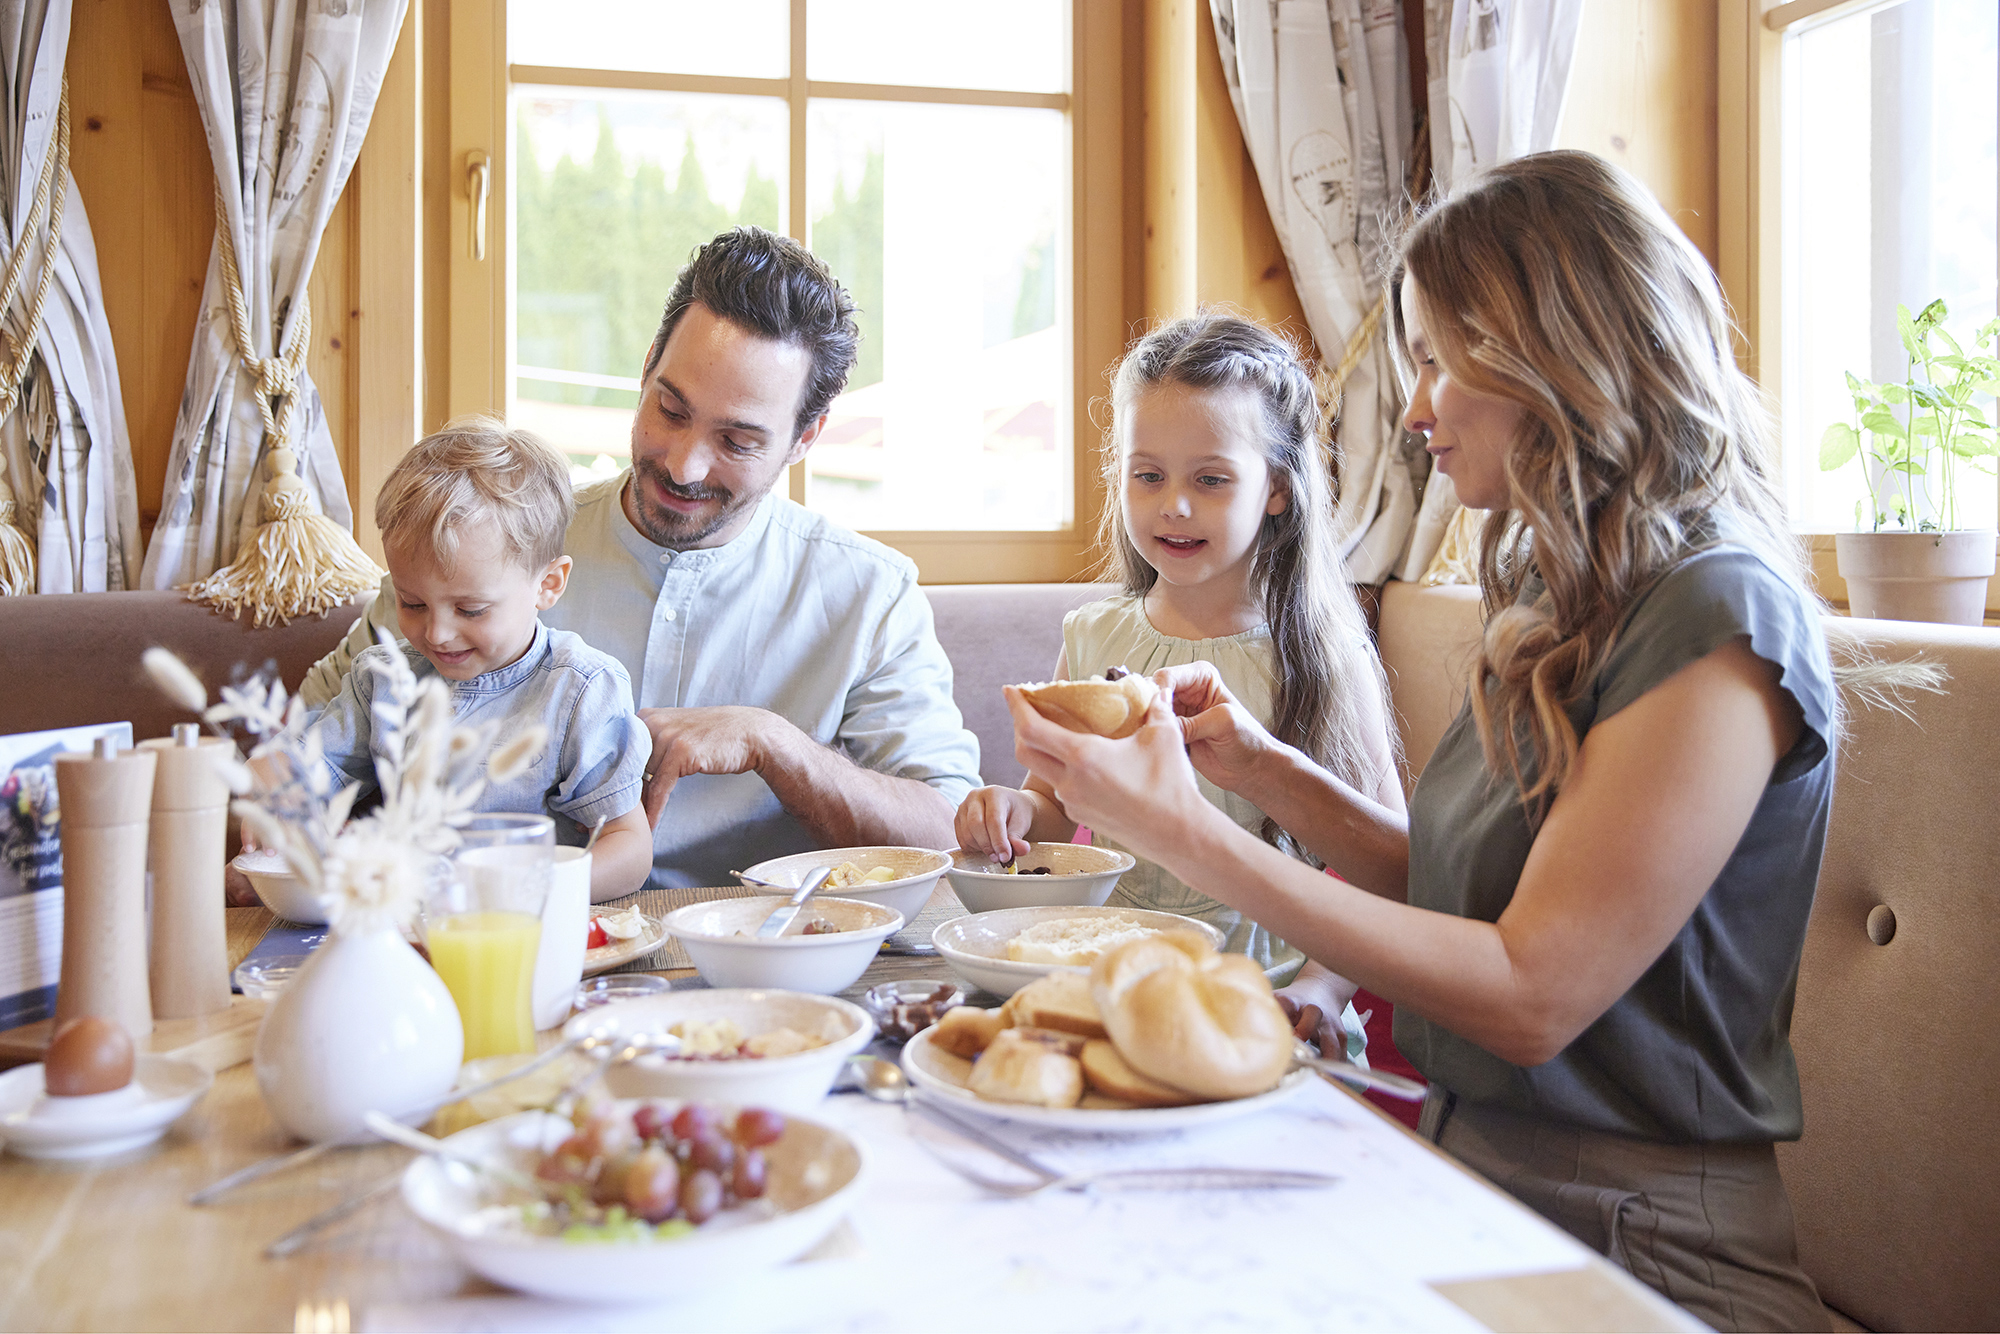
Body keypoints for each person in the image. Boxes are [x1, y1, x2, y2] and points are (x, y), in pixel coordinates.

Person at [1001, 151, 1835, 1332]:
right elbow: (1459, 893)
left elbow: (1530, 993)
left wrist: (1187, 833)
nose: (1411, 405)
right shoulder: (1572, 591)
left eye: (1439, 358)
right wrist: (1252, 763)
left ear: (1555, 356)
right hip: (1467, 1175)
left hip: (1633, 1236)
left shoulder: (1716, 619)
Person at [303, 229, 981, 893]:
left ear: (805, 437)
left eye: (737, 441)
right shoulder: (494, 537)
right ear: (649, 363)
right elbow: (303, 747)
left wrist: (776, 746)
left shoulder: (870, 595)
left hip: (759, 964)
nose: (684, 464)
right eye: (670, 409)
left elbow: (950, 833)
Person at [953, 313, 1402, 1057]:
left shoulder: (1323, 652)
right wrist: (1010, 811)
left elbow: (1382, 862)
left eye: (1212, 479)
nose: (1175, 505)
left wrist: (1320, 988)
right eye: (1149, 475)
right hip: (1126, 993)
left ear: (1278, 490)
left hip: (1268, 1005)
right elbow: (1056, 809)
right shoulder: (1094, 636)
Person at [304, 420, 654, 901]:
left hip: (523, 932)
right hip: (403, 929)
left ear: (548, 584)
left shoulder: (580, 691)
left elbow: (629, 848)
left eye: (470, 609)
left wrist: (525, 890)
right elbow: (306, 776)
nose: (437, 633)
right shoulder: (380, 681)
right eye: (412, 603)